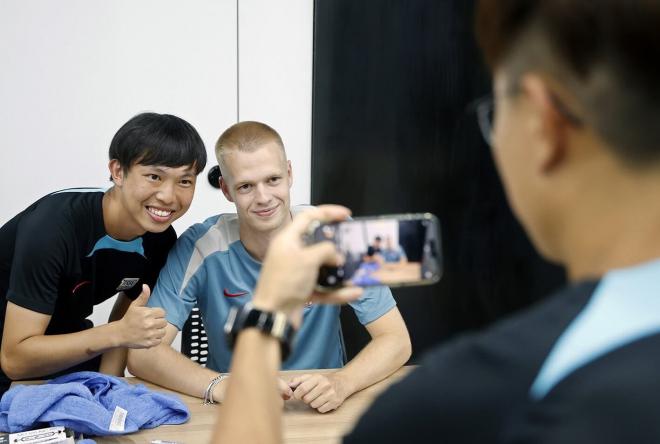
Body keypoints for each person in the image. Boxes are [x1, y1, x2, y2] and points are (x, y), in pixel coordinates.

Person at [212, 0, 660, 442]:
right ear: (230, 190)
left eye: (493, 114)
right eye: (247, 185)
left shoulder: (457, 403)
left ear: (546, 127)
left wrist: (264, 321)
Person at [127, 121, 411, 410]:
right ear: (226, 189)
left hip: (320, 409)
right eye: (246, 186)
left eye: (273, 180)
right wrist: (222, 385)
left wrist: (342, 382)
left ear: (289, 174)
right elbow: (143, 354)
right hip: (237, 407)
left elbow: (396, 340)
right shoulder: (200, 245)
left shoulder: (338, 236)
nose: (263, 198)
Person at [0, 112, 207, 396]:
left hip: (62, 348)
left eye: (185, 181)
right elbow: (14, 360)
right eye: (154, 176)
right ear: (118, 172)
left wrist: (109, 393)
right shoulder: (53, 227)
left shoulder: (160, 239)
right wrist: (117, 333)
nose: (169, 196)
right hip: (13, 353)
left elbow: (126, 324)